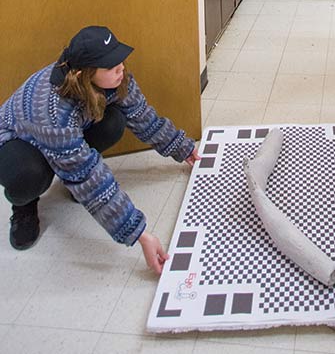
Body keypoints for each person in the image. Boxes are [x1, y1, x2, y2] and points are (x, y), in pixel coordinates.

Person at [0, 25, 200, 271]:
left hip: (65, 139)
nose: (121, 68)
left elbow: (142, 116)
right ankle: (24, 207)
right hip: (17, 141)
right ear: (85, 73)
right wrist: (140, 235)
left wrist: (182, 148)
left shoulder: (116, 78)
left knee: (114, 121)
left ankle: (68, 178)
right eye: (111, 66)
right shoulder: (54, 111)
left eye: (119, 60)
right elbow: (88, 176)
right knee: (29, 175)